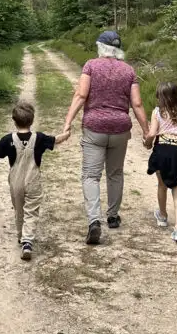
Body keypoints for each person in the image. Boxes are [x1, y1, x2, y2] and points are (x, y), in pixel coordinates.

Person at [62, 30, 149, 245]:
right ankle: (112, 216)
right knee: (115, 173)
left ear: (100, 46)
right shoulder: (129, 71)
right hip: (120, 128)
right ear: (118, 49)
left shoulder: (91, 66)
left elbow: (81, 95)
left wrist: (67, 122)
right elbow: (136, 104)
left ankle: (94, 221)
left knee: (91, 176)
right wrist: (147, 131)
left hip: (94, 128)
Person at [0, 100, 70, 261]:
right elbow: (56, 140)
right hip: (33, 180)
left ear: (14, 121)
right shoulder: (40, 138)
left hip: (15, 182)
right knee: (31, 211)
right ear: (32, 120)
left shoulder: (8, 139)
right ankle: (27, 241)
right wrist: (66, 133)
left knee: (19, 209)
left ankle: (21, 235)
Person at [145, 82, 177, 244]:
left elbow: (152, 133)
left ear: (162, 97)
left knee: (162, 186)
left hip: (162, 150)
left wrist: (148, 142)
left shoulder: (157, 112)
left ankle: (163, 215)